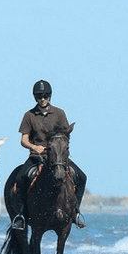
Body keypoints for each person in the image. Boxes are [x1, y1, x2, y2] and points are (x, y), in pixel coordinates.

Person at [8, 80, 87, 231]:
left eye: (45, 96)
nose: (42, 99)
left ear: (50, 96)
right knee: (20, 178)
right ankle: (20, 216)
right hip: (36, 157)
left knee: (82, 177)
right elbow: (23, 140)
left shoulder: (59, 113)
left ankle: (75, 212)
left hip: (57, 157)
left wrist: (60, 148)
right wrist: (34, 147)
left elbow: (65, 135)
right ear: (35, 97)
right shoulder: (29, 115)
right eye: (39, 96)